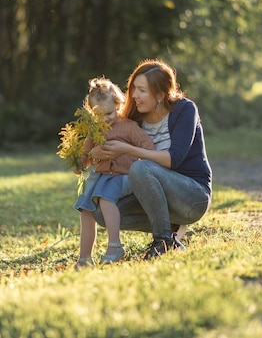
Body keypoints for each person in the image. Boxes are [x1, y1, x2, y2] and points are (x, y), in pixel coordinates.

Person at [90, 59, 212, 259]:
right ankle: (171, 231)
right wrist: (94, 152)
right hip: (154, 195)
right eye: (133, 89)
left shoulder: (185, 110)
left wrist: (129, 149)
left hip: (192, 196)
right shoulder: (134, 116)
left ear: (160, 94)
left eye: (141, 90)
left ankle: (163, 240)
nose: (134, 95)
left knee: (141, 168)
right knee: (101, 211)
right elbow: (106, 138)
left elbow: (174, 159)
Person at [72, 77, 155, 268]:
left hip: (124, 175)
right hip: (102, 177)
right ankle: (84, 258)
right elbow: (83, 160)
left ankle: (115, 245)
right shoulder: (95, 132)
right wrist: (82, 160)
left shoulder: (128, 127)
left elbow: (148, 146)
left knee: (105, 198)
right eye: (99, 116)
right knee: (86, 210)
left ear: (118, 105)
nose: (105, 119)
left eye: (109, 113)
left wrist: (129, 152)